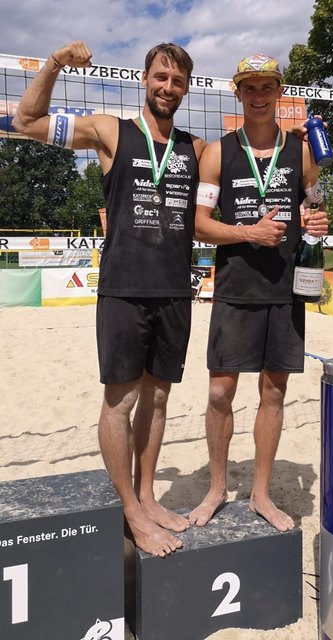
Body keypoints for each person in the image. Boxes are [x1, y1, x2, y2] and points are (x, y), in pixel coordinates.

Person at [13, 40, 207, 557]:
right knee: (119, 400)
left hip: (174, 291)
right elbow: (26, 120)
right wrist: (53, 64)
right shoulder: (109, 131)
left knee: (159, 398)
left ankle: (146, 495)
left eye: (178, 81)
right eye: (161, 76)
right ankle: (130, 510)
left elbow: (246, 183)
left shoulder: (197, 147)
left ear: (187, 88)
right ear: (145, 78)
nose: (168, 87)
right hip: (123, 287)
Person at [189, 54, 328, 531]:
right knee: (220, 392)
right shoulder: (217, 152)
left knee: (273, 393)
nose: (259, 95)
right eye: (250, 88)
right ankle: (216, 488)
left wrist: (318, 222)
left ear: (279, 92)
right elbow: (200, 226)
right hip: (235, 289)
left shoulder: (302, 152)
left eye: (267, 87)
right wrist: (250, 233)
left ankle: (262, 495)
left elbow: (314, 203)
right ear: (238, 93)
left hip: (286, 290)